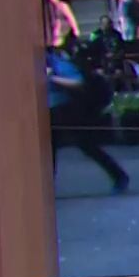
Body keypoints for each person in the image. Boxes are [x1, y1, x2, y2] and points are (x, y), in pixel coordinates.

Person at [46, 44, 129, 192]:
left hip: (64, 110)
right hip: (49, 111)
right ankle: (46, 188)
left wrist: (51, 79)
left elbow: (77, 81)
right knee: (48, 149)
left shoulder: (55, 62)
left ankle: (119, 176)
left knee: (85, 145)